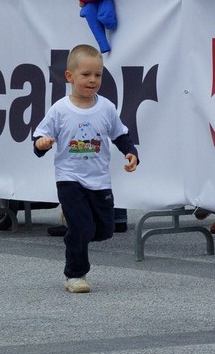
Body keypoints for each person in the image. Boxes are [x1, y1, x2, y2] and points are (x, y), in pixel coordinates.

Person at [32, 44, 139, 294]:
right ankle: (75, 274)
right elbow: (39, 138)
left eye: (98, 75)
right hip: (69, 178)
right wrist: (42, 144)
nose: (93, 80)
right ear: (70, 76)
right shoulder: (60, 109)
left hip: (99, 180)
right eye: (86, 75)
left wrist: (131, 152)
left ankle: (73, 223)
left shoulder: (106, 107)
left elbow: (120, 134)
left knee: (104, 230)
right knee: (81, 229)